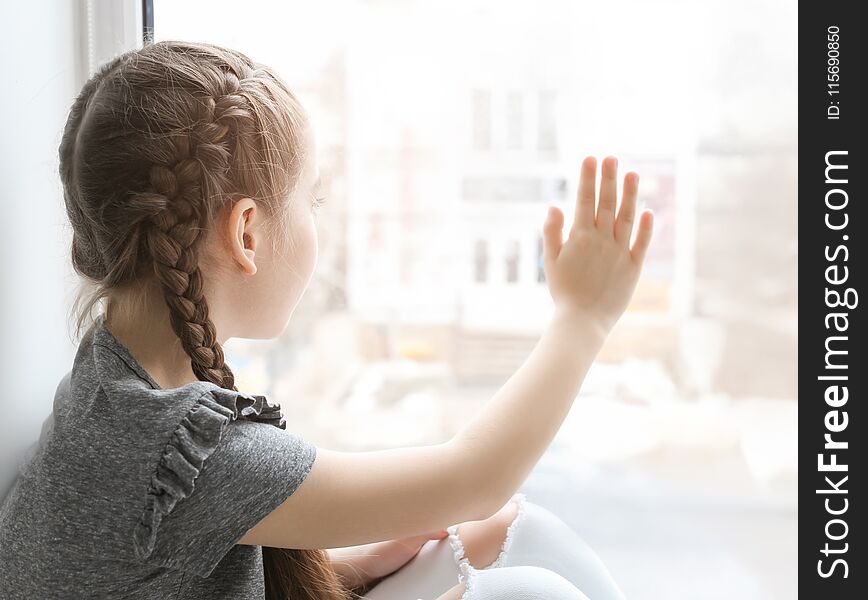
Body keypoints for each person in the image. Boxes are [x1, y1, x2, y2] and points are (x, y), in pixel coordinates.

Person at [0, 40, 653, 599]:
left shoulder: (107, 381)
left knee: (517, 533)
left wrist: (349, 568)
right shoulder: (178, 452)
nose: (320, 224)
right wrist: (583, 318)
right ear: (247, 234)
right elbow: (473, 478)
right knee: (530, 591)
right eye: (312, 200)